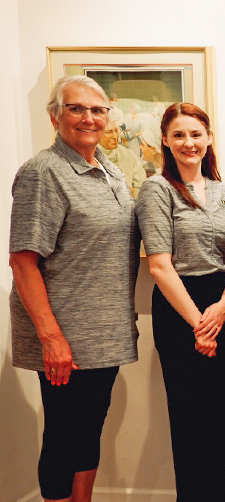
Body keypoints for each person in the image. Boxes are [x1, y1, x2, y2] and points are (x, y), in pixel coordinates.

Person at [9, 75, 139, 502]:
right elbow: (23, 261)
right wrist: (51, 337)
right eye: (76, 108)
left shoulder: (111, 171)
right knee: (64, 435)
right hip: (64, 335)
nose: (88, 118)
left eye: (98, 110)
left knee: (88, 429)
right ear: (54, 116)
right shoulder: (43, 172)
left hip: (104, 334)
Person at [136, 103, 225, 502]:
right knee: (189, 419)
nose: (188, 143)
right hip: (181, 309)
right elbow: (161, 267)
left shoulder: (223, 191)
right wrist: (200, 323)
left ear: (209, 138)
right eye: (179, 135)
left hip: (223, 306)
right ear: (165, 140)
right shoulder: (156, 189)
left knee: (220, 419)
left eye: (196, 134)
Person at [99, 119, 146, 197]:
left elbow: (142, 186)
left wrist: (134, 193)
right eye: (109, 132)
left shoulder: (129, 155)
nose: (115, 136)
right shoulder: (87, 158)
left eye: (117, 131)